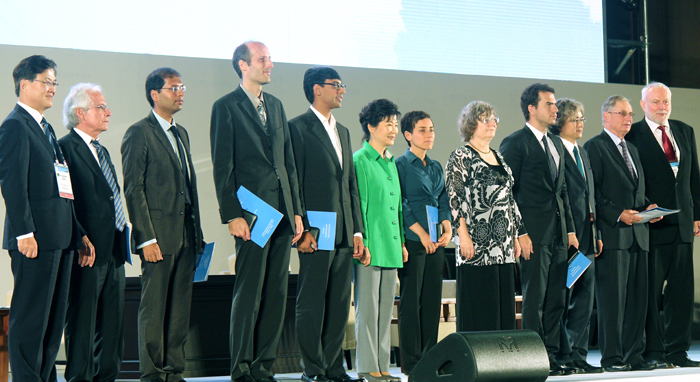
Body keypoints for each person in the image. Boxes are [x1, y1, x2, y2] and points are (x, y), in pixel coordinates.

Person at [210, 41, 303, 382]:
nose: (270, 64)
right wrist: (233, 215)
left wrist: (296, 211)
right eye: (263, 59)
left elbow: (287, 164)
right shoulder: (226, 107)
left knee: (276, 291)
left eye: (270, 59)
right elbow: (224, 167)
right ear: (243, 65)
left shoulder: (276, 106)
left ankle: (264, 365)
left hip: (281, 213)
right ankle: (241, 368)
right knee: (249, 291)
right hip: (252, 215)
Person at [0, 55, 86, 382]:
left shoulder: (46, 128)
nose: (52, 89)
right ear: (25, 85)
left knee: (53, 321)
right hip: (35, 239)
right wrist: (24, 233)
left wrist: (78, 234)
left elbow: (62, 188)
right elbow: (12, 183)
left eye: (54, 83)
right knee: (31, 319)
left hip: (60, 237)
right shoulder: (14, 126)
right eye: (46, 82)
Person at [122, 67, 205, 382]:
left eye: (182, 86)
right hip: (157, 236)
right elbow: (134, 189)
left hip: (185, 233)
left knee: (179, 305)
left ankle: (173, 368)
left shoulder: (180, 132)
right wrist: (145, 238)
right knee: (154, 305)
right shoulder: (139, 132)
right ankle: (153, 371)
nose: (180, 92)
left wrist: (196, 233)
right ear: (155, 94)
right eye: (173, 87)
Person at [288, 66, 367, 382]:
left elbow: (350, 185)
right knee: (311, 301)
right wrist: (303, 228)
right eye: (337, 85)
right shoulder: (297, 128)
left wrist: (357, 230)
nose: (342, 90)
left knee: (337, 302)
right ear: (316, 89)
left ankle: (335, 367)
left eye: (343, 85)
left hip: (345, 231)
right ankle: (313, 368)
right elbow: (295, 183)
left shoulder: (344, 131)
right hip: (315, 232)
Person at [499, 84, 578, 376]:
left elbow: (564, 191)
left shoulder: (556, 143)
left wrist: (569, 230)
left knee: (557, 297)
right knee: (536, 299)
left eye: (555, 104)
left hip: (558, 233)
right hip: (532, 234)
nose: (555, 109)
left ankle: (553, 355)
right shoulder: (515, 142)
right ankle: (534, 359)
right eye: (549, 104)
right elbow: (507, 193)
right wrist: (520, 233)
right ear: (532, 108)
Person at [583, 95, 661, 372]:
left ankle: (633, 355)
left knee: (638, 300)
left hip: (639, 235)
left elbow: (636, 191)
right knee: (612, 302)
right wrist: (618, 213)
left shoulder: (633, 149)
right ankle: (613, 358)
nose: (629, 118)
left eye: (630, 113)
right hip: (614, 235)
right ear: (606, 116)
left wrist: (648, 207)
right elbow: (594, 194)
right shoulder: (594, 147)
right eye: (622, 113)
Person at [626, 82, 700, 368]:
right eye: (655, 102)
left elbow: (693, 175)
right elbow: (632, 179)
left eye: (666, 101)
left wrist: (697, 214)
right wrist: (643, 207)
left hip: (683, 226)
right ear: (643, 104)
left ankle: (677, 351)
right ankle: (654, 351)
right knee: (651, 294)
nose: (662, 107)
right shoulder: (633, 134)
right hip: (653, 226)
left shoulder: (684, 130)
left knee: (681, 295)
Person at [59, 83, 129, 382]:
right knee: (83, 322)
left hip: (113, 248)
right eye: (101, 107)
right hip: (86, 251)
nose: (108, 112)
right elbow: (64, 200)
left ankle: (107, 378)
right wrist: (79, 236)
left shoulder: (100, 149)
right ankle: (79, 378)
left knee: (112, 324)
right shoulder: (65, 148)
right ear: (80, 113)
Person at [445, 101, 523, 333]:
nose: (492, 123)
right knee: (481, 306)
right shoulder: (461, 155)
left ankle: (502, 360)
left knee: (502, 308)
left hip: (504, 247)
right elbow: (455, 197)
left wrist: (515, 236)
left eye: (494, 119)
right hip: (477, 245)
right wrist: (463, 236)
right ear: (471, 124)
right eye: (485, 119)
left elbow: (509, 199)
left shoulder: (498, 156)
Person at [353, 99, 408, 382]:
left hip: (391, 243)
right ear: (371, 126)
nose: (393, 129)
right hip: (370, 246)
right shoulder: (360, 160)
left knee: (386, 309)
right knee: (368, 308)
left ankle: (383, 366)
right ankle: (366, 366)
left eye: (396, 124)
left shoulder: (390, 161)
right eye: (388, 123)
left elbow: (397, 206)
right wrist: (362, 241)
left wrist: (400, 242)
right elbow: (359, 204)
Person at [549, 98, 603, 374]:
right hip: (565, 237)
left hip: (587, 237)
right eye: (575, 120)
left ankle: (579, 355)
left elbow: (589, 196)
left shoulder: (582, 152)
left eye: (582, 119)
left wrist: (597, 233)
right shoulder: (553, 148)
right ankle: (562, 354)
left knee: (584, 299)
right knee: (561, 299)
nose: (581, 124)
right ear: (561, 123)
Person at [395, 111, 451, 374]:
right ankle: (412, 363)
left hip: (437, 240)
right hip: (414, 239)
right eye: (422, 130)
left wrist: (447, 227)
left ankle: (430, 359)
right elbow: (401, 204)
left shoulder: (436, 166)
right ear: (408, 135)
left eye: (431, 129)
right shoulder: (400, 165)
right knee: (411, 300)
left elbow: (443, 200)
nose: (429, 135)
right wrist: (421, 234)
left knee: (431, 301)